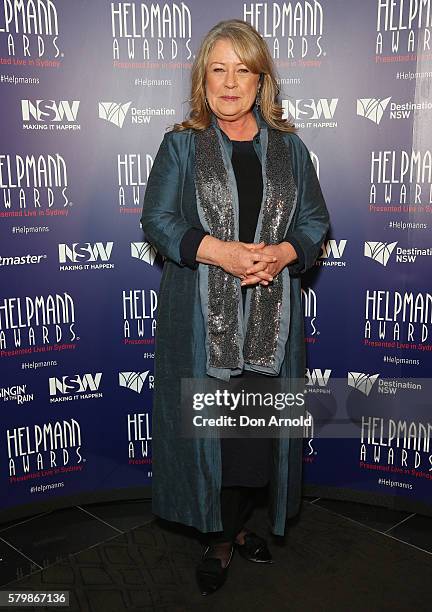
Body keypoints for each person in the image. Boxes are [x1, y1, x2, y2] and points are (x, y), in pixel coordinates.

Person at [140, 19, 329, 596]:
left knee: (255, 445)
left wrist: (281, 254)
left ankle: (242, 524)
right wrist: (219, 251)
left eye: (242, 69)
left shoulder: (289, 148)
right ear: (203, 79)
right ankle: (217, 539)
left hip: (272, 321)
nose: (230, 82)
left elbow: (315, 224)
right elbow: (158, 221)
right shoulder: (180, 144)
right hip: (203, 323)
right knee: (212, 439)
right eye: (217, 69)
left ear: (260, 79)